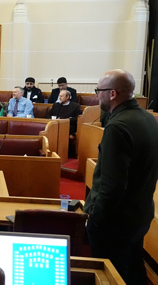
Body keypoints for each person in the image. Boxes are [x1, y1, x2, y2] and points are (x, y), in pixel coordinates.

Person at [84, 69, 158, 284]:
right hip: (140, 213)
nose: (98, 96)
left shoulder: (117, 127)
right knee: (133, 270)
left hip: (116, 222)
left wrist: (95, 220)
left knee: (111, 276)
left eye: (99, 91)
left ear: (113, 93)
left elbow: (112, 186)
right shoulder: (148, 119)